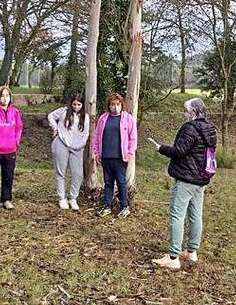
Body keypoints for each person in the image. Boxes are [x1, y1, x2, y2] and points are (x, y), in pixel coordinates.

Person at [150, 98, 218, 270]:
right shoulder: (210, 129)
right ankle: (191, 251)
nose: (185, 113)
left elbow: (179, 151)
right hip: (201, 179)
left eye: (186, 110)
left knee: (176, 215)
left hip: (186, 179)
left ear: (193, 112)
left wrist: (161, 148)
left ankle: (173, 257)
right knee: (196, 215)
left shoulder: (189, 128)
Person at [91, 93, 137, 218]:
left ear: (122, 105)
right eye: (112, 104)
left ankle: (124, 206)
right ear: (109, 105)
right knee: (108, 182)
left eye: (117, 104)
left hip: (120, 157)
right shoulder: (103, 118)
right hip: (106, 156)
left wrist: (130, 152)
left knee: (121, 182)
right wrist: (96, 152)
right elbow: (97, 137)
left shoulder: (128, 118)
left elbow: (133, 138)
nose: (115, 107)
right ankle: (106, 206)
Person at [47, 93, 90, 211]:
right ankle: (62, 197)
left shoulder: (85, 117)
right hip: (61, 143)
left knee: (78, 174)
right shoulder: (63, 112)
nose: (76, 107)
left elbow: (85, 133)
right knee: (61, 172)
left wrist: (80, 145)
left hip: (77, 147)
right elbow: (50, 116)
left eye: (79, 104)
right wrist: (55, 128)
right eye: (74, 104)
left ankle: (73, 198)